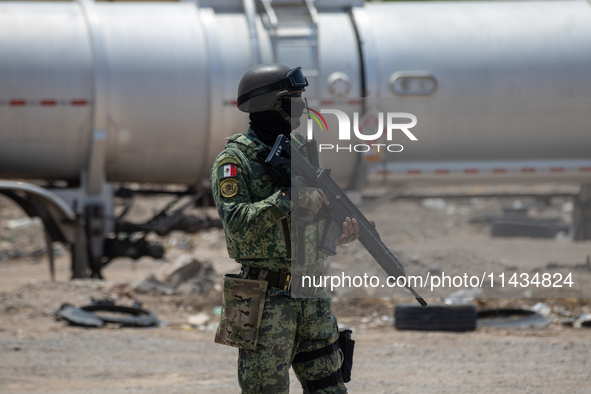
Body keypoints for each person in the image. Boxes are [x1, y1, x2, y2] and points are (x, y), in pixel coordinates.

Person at [211, 63, 359, 394]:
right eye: (292, 100)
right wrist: (288, 198)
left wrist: (340, 231)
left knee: (331, 388)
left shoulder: (301, 155)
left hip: (313, 296)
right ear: (268, 105)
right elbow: (237, 225)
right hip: (266, 301)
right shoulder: (235, 162)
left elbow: (312, 219)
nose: (301, 108)